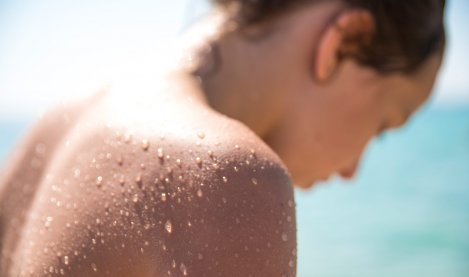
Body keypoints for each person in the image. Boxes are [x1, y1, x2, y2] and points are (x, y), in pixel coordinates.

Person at [0, 0, 445, 276]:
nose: (352, 171)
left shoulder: (52, 128)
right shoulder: (224, 178)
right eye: (384, 125)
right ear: (345, 39)